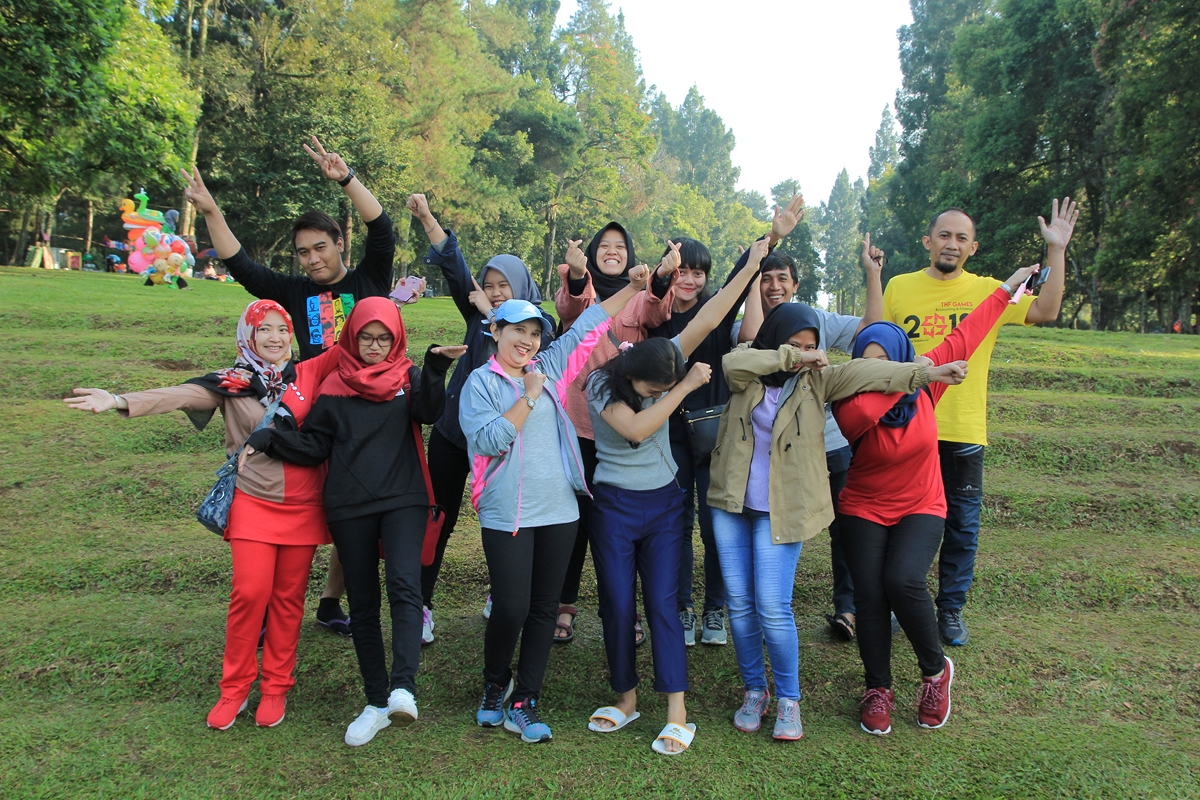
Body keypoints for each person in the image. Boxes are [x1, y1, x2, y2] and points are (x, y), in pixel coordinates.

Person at [64, 300, 340, 730]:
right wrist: (118, 400)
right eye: (263, 329)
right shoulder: (231, 382)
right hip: (253, 501)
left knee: (288, 601)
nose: (274, 338)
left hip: (304, 504)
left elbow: (352, 342)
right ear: (247, 336)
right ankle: (234, 689)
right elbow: (180, 395)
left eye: (281, 329)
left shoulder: (307, 374)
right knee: (250, 594)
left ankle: (275, 687)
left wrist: (394, 301)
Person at [706, 303, 971, 740]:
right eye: (796, 345)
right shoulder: (746, 369)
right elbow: (733, 364)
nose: (807, 354)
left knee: (772, 606)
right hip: (731, 504)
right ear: (776, 341)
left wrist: (927, 373)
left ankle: (788, 699)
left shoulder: (819, 381)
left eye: (813, 346)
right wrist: (795, 356)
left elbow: (870, 371)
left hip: (781, 508)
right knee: (739, 604)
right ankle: (755, 690)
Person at [181, 136, 404, 636]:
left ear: (339, 244)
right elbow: (241, 264)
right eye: (303, 252)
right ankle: (268, 606)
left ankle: (330, 603)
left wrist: (346, 179)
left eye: (320, 247)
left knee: (351, 509)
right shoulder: (294, 290)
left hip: (366, 413)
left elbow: (382, 228)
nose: (312, 259)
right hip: (309, 411)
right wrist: (211, 210)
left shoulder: (368, 279)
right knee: (292, 508)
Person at [241, 298, 465, 746]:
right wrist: (268, 439)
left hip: (403, 500)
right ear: (351, 337)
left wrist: (436, 369)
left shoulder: (407, 378)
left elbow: (430, 412)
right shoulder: (332, 386)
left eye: (384, 338)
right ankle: (376, 702)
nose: (375, 346)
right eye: (366, 337)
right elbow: (315, 447)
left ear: (396, 339)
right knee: (362, 604)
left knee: (405, 586)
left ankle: (403, 690)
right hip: (349, 507)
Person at [835, 263, 1040, 736]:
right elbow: (872, 403)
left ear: (900, 356)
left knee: (902, 579)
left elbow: (968, 333)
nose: (877, 371)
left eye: (885, 361)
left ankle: (934, 672)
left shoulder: (926, 384)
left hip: (921, 503)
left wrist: (1007, 287)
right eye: (868, 364)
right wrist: (917, 374)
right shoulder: (851, 403)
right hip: (863, 504)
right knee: (869, 596)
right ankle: (878, 688)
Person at [585, 237, 770, 754]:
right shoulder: (600, 386)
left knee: (663, 605)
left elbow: (711, 316)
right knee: (617, 604)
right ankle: (626, 699)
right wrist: (684, 388)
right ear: (632, 377)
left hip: (664, 504)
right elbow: (637, 430)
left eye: (665, 386)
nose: (659, 394)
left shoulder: (665, 358)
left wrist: (751, 265)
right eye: (653, 390)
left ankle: (676, 712)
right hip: (614, 507)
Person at [459, 266, 652, 744]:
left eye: (534, 333)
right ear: (496, 331)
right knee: (511, 607)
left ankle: (524, 700)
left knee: (545, 608)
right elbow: (490, 440)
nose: (526, 341)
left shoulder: (550, 367)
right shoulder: (480, 384)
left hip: (560, 511)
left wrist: (633, 288)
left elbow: (589, 324)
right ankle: (495, 683)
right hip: (507, 513)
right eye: (517, 331)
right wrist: (527, 397)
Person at [882, 197, 1078, 647]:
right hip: (907, 425)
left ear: (973, 247)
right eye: (944, 235)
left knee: (961, 524)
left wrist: (1057, 249)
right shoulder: (899, 287)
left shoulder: (992, 290)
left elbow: (1045, 311)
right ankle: (896, 601)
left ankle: (950, 610)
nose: (951, 244)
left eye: (961, 238)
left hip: (962, 429)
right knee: (898, 517)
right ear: (928, 241)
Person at [649, 195, 809, 648]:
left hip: (715, 434)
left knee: (715, 523)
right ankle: (682, 607)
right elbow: (647, 294)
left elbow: (742, 275)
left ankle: (715, 608)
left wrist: (772, 236)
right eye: (681, 271)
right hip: (668, 435)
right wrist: (659, 275)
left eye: (698, 272)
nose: (689, 280)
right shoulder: (655, 316)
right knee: (676, 524)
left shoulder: (716, 315)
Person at [405, 193, 556, 644]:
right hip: (455, 435)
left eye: (503, 285)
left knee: (510, 521)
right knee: (439, 517)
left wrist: (494, 315)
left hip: (509, 441)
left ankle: (503, 594)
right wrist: (427, 217)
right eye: (489, 285)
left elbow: (538, 361)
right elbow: (454, 263)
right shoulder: (475, 315)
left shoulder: (539, 327)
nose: (494, 292)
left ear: (521, 286)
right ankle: (421, 604)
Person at [736, 235, 886, 643]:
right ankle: (764, 605)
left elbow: (871, 332)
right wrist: (750, 274)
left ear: (795, 284)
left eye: (782, 278)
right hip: (772, 452)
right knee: (770, 525)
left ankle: (848, 607)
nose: (774, 286)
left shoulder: (815, 318)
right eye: (766, 279)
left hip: (828, 442)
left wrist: (873, 276)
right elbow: (750, 339)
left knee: (846, 526)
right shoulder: (749, 320)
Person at [552, 223, 680, 644]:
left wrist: (661, 276)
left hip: (623, 425)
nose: (612, 251)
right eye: (603, 246)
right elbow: (569, 308)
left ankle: (628, 612)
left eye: (619, 246)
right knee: (574, 520)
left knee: (622, 529)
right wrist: (576, 274)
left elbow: (656, 312)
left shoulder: (640, 294)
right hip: (578, 422)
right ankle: (564, 604)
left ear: (630, 254)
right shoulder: (584, 291)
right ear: (591, 253)